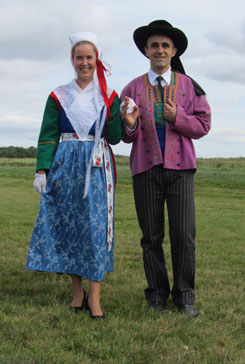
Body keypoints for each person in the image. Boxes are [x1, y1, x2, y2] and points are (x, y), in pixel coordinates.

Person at [26, 32, 124, 320]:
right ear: (73, 60)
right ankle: (77, 292)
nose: (84, 62)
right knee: (71, 227)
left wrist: (124, 116)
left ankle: (94, 297)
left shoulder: (109, 95)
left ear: (97, 61)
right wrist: (42, 169)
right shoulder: (58, 95)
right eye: (79, 57)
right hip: (65, 164)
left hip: (96, 166)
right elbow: (47, 135)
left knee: (95, 228)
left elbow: (115, 137)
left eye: (89, 57)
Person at [121, 20, 211, 317]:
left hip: (181, 169)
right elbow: (126, 134)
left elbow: (203, 125)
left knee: (184, 233)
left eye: (165, 45)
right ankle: (157, 293)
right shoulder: (131, 88)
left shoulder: (190, 86)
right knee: (151, 236)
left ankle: (185, 295)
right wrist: (130, 125)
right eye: (154, 45)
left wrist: (178, 117)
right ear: (146, 51)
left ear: (173, 51)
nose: (159, 50)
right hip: (146, 169)